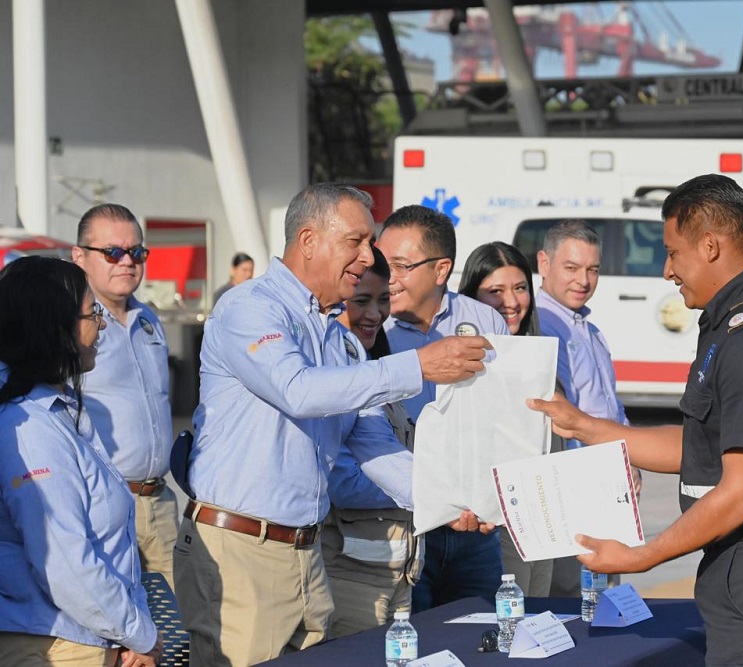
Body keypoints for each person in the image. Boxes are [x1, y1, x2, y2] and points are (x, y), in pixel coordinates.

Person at [529, 174, 743, 666]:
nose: (667, 271)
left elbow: (742, 493)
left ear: (710, 246)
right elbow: (701, 447)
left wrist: (640, 557)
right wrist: (585, 426)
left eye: (673, 253)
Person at [173, 184, 493, 667]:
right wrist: (418, 366)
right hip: (240, 552)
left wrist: (451, 501)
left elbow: (376, 446)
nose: (368, 257)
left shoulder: (337, 340)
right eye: (355, 241)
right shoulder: (250, 307)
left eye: (370, 242)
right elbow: (298, 391)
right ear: (308, 241)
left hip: (305, 554)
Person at [0, 256, 162, 667]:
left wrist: (129, 630)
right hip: (57, 645)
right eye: (93, 315)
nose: (101, 327)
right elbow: (66, 565)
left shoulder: (59, 410)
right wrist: (140, 635)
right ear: (56, 327)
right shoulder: (29, 427)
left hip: (89, 636)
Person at [379, 205, 509, 612]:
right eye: (383, 264)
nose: (388, 277)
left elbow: (505, 419)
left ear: (441, 270)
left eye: (401, 266)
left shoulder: (486, 322)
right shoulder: (371, 325)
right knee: (411, 636)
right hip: (402, 524)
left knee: (480, 632)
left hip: (475, 527)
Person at [72, 203, 178, 590]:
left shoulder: (148, 318)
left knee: (174, 618)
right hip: (104, 506)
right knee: (115, 616)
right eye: (113, 252)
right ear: (79, 256)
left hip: (160, 501)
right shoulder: (72, 325)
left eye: (136, 252)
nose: (127, 262)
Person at [322, 245, 423, 636]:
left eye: (384, 300)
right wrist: (434, 490)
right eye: (362, 301)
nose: (376, 314)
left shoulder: (376, 368)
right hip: (351, 575)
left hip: (399, 572)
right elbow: (342, 482)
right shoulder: (327, 375)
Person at [534, 219, 636, 597]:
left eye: (593, 269)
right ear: (544, 263)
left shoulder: (589, 330)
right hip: (574, 484)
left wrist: (631, 457)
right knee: (574, 597)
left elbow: (610, 404)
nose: (584, 280)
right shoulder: (542, 327)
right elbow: (561, 413)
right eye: (572, 267)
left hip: (608, 483)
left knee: (606, 595)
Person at [457, 241, 554, 597]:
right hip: (494, 523)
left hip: (541, 519)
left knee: (539, 612)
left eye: (520, 288)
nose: (511, 302)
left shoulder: (540, 358)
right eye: (495, 291)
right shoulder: (462, 364)